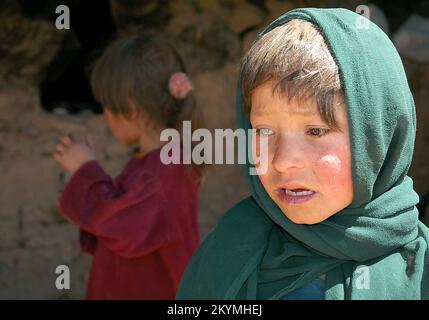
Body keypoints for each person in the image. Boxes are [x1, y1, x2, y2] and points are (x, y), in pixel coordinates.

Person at [176, 8, 429, 299]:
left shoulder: (418, 276)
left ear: (379, 138)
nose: (283, 161)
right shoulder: (226, 257)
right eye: (264, 131)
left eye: (316, 131)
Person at [53, 35, 202, 299]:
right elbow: (124, 220)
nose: (106, 116)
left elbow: (123, 227)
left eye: (107, 107)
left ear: (131, 109)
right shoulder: (158, 163)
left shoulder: (163, 170)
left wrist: (85, 169)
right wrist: (83, 198)